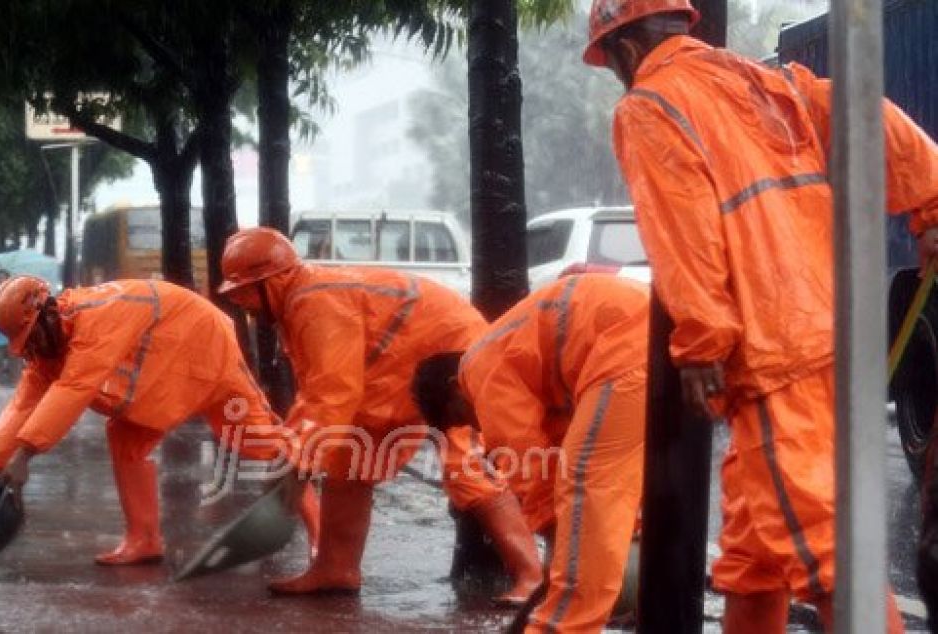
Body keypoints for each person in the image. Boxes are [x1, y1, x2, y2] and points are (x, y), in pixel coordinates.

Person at [583, 0, 938, 629]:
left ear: (624, 49)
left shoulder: (650, 105)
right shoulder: (763, 80)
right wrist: (931, 202)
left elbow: (683, 229)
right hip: (826, 327)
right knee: (752, 556)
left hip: (773, 348)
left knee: (831, 556)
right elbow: (867, 114)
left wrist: (700, 342)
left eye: (609, 61)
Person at [217, 227, 542, 604]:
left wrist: (293, 459)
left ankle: (532, 577)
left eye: (244, 292)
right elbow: (330, 389)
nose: (243, 305)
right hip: (400, 366)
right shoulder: (303, 300)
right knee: (348, 461)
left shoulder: (315, 301)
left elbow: (331, 390)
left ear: (273, 280)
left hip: (451, 358)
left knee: (465, 466)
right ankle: (335, 568)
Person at [0, 275, 319, 566]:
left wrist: (23, 457)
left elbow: (73, 388)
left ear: (47, 313)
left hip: (204, 344)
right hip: (168, 358)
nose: (30, 350)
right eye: (24, 345)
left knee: (255, 437)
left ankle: (322, 531)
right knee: (126, 438)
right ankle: (144, 539)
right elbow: (22, 404)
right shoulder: (49, 345)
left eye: (30, 339)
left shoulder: (96, 319)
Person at [413, 273, 649, 633]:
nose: (476, 425)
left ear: (453, 387)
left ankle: (562, 627)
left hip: (625, 343)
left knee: (589, 484)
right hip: (643, 331)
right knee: (624, 485)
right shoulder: (530, 370)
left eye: (462, 417)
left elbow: (523, 456)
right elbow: (553, 450)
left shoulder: (478, 369)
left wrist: (552, 528)